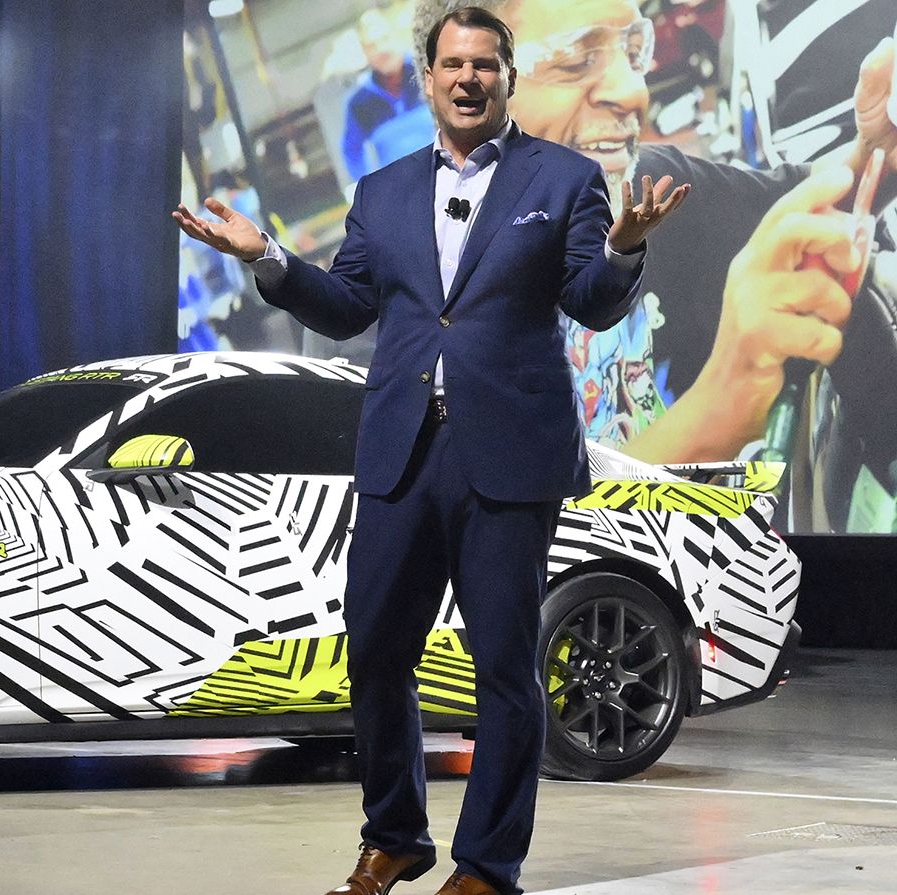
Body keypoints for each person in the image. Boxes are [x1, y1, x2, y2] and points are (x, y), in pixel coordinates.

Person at [174, 8, 687, 895]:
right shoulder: (382, 191)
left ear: (508, 78)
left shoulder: (562, 177)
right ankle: (395, 836)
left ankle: (487, 864)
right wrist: (271, 260)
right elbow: (347, 307)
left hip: (508, 457)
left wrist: (622, 249)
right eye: (453, 64)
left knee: (503, 670)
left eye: (485, 64)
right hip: (403, 453)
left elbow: (592, 302)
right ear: (429, 78)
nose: (468, 79)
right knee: (375, 651)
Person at [411, 0, 897, 468]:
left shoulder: (654, 194)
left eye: (632, 51)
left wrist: (877, 146)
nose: (632, 91)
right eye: (575, 61)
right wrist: (727, 398)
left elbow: (806, 202)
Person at [343, 9, 431, 180]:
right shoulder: (359, 104)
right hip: (402, 190)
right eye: (372, 45)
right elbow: (351, 151)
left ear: (398, 37)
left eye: (385, 39)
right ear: (364, 51)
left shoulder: (427, 72)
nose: (381, 49)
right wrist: (370, 188)